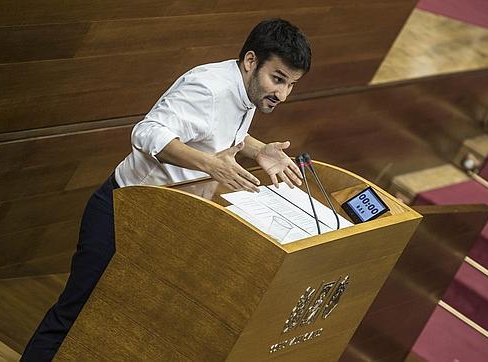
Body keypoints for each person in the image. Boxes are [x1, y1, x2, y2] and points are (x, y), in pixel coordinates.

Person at [21, 18, 312, 361]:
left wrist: (258, 150)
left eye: (291, 84)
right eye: (277, 79)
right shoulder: (208, 88)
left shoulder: (246, 89)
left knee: (112, 324)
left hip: (164, 221)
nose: (282, 94)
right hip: (122, 214)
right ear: (251, 61)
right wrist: (210, 165)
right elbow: (147, 133)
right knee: (72, 317)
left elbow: (216, 134)